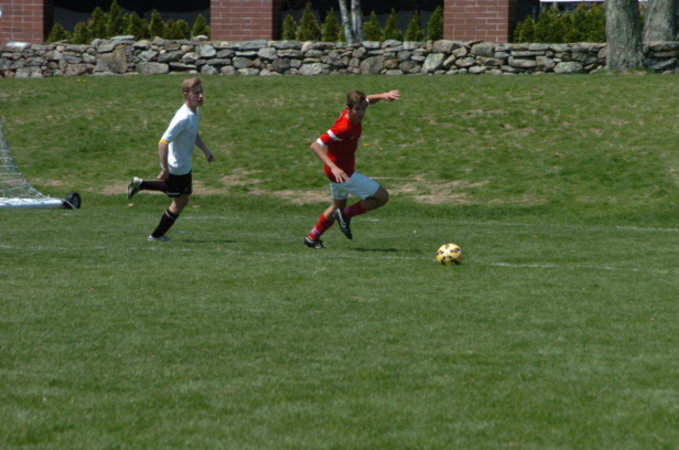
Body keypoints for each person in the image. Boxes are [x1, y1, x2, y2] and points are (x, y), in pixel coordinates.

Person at [304, 89, 400, 249]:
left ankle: (312, 237)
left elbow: (368, 100)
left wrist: (383, 96)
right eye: (357, 109)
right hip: (342, 173)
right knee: (381, 197)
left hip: (337, 172)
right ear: (348, 109)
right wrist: (334, 168)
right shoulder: (342, 127)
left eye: (363, 109)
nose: (361, 113)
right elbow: (315, 145)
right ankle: (346, 215)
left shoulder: (358, 109)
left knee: (337, 206)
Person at [127, 76, 214, 241]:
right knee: (179, 200)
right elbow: (163, 142)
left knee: (181, 196)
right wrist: (165, 168)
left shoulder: (194, 112)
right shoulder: (183, 117)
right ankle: (156, 235)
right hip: (177, 166)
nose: (201, 96)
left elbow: (193, 133)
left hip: (185, 164)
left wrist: (205, 150)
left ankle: (141, 184)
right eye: (196, 93)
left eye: (201, 92)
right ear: (186, 94)